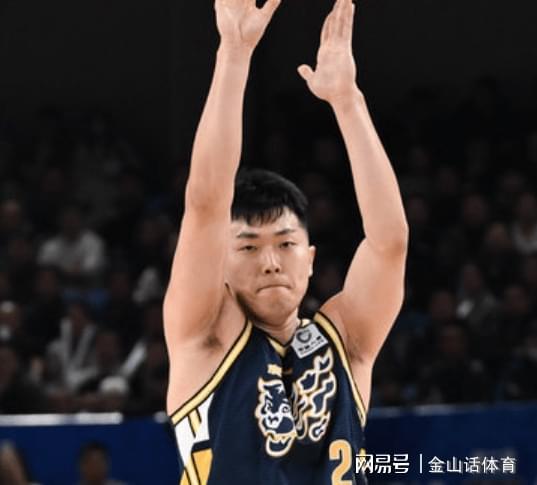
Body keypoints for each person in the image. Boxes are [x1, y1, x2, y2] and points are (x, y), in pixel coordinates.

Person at [163, 0, 408, 483]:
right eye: (248, 247)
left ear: (310, 258)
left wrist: (347, 102)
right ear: (220, 264)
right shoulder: (204, 336)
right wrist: (234, 54)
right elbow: (206, 202)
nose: (271, 262)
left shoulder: (346, 341)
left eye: (285, 243)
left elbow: (389, 243)